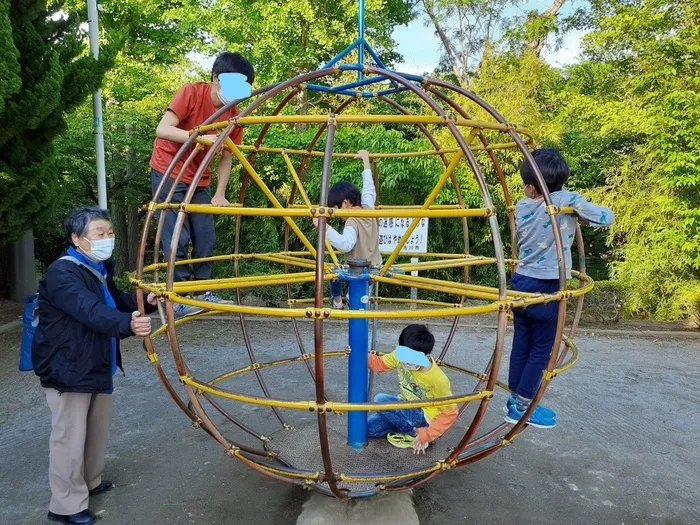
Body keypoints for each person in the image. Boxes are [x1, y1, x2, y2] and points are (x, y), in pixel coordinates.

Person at [32, 206, 159, 525]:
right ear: (77, 238)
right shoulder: (63, 273)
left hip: (95, 361)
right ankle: (65, 505)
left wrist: (145, 303)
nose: (108, 239)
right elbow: (89, 310)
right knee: (69, 436)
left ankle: (88, 481)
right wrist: (127, 325)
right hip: (67, 366)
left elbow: (111, 301)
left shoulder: (97, 266)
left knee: (95, 429)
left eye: (110, 232)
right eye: (99, 234)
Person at [506, 148, 614, 429]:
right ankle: (522, 404)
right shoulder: (566, 201)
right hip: (548, 285)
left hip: (521, 282)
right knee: (543, 347)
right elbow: (606, 217)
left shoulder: (522, 205)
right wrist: (577, 210)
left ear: (530, 187)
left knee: (521, 341)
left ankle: (514, 397)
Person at [149, 51, 255, 318]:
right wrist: (198, 137)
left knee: (205, 234)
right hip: (169, 168)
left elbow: (228, 154)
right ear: (215, 78)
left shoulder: (234, 115)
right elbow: (163, 129)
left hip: (200, 177)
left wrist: (220, 193)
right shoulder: (192, 93)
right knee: (177, 234)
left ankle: (203, 291)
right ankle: (179, 295)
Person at [348, 324, 458, 454]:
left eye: (411, 358)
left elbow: (451, 412)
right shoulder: (400, 355)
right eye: (404, 356)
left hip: (424, 416)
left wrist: (428, 434)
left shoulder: (438, 379)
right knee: (364, 430)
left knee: (381, 399)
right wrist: (355, 354)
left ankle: (415, 433)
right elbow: (379, 364)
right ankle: (405, 428)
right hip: (405, 409)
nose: (406, 361)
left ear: (427, 356)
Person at [313, 149, 382, 308]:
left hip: (359, 271)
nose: (336, 213)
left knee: (333, 273)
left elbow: (345, 244)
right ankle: (351, 299)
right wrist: (366, 160)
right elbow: (369, 189)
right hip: (375, 268)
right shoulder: (368, 208)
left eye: (336, 208)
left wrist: (325, 228)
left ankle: (337, 301)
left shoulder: (352, 221)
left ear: (345, 203)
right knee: (357, 297)